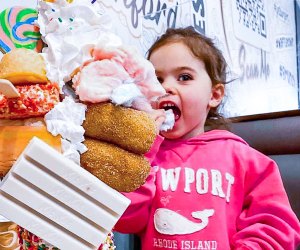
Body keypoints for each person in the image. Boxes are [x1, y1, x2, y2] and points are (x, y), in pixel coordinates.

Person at [114, 27, 300, 250]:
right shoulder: (144, 156)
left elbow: (277, 225)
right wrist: (144, 148)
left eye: (184, 77)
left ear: (214, 95)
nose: (166, 87)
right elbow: (126, 219)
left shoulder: (243, 158)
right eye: (157, 78)